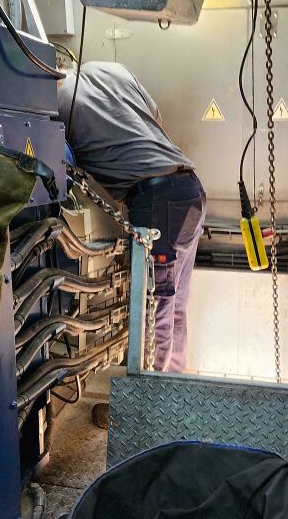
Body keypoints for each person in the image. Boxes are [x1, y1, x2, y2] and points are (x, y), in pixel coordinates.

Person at [58, 61, 206, 382]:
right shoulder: (112, 70)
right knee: (175, 305)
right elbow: (155, 116)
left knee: (155, 308)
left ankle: (153, 397)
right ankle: (173, 385)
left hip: (156, 200)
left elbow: (62, 161)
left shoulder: (56, 100)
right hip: (189, 189)